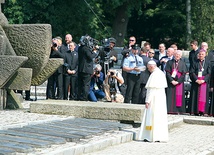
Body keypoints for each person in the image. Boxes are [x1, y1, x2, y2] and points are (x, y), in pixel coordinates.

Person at [138, 60, 168, 142]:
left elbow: (151, 90)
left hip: (154, 99)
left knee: (152, 117)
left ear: (151, 66)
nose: (148, 70)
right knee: (159, 117)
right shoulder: (161, 73)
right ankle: (159, 136)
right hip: (161, 99)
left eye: (148, 68)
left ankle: (150, 136)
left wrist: (147, 101)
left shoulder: (154, 75)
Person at [188, 48, 211, 116]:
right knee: (195, 96)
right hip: (196, 82)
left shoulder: (208, 62)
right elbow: (191, 72)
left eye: (202, 54)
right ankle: (195, 111)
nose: (201, 55)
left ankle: (203, 111)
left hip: (204, 82)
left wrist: (204, 80)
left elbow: (209, 73)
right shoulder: (194, 62)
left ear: (205, 55)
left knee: (203, 97)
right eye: (200, 54)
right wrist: (196, 80)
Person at [77, 35, 98, 101]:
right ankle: (84, 97)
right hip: (86, 69)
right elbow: (90, 56)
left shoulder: (80, 48)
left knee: (80, 84)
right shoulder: (86, 48)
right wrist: (95, 52)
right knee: (86, 84)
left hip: (81, 69)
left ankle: (79, 96)